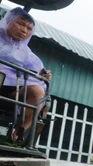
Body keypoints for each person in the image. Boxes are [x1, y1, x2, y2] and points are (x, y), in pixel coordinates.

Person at [0, 8, 52, 138]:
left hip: (13, 88)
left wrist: (44, 75)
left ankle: (16, 135)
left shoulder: (25, 52)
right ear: (8, 21)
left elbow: (38, 70)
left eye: (29, 29)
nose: (24, 30)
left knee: (38, 91)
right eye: (21, 24)